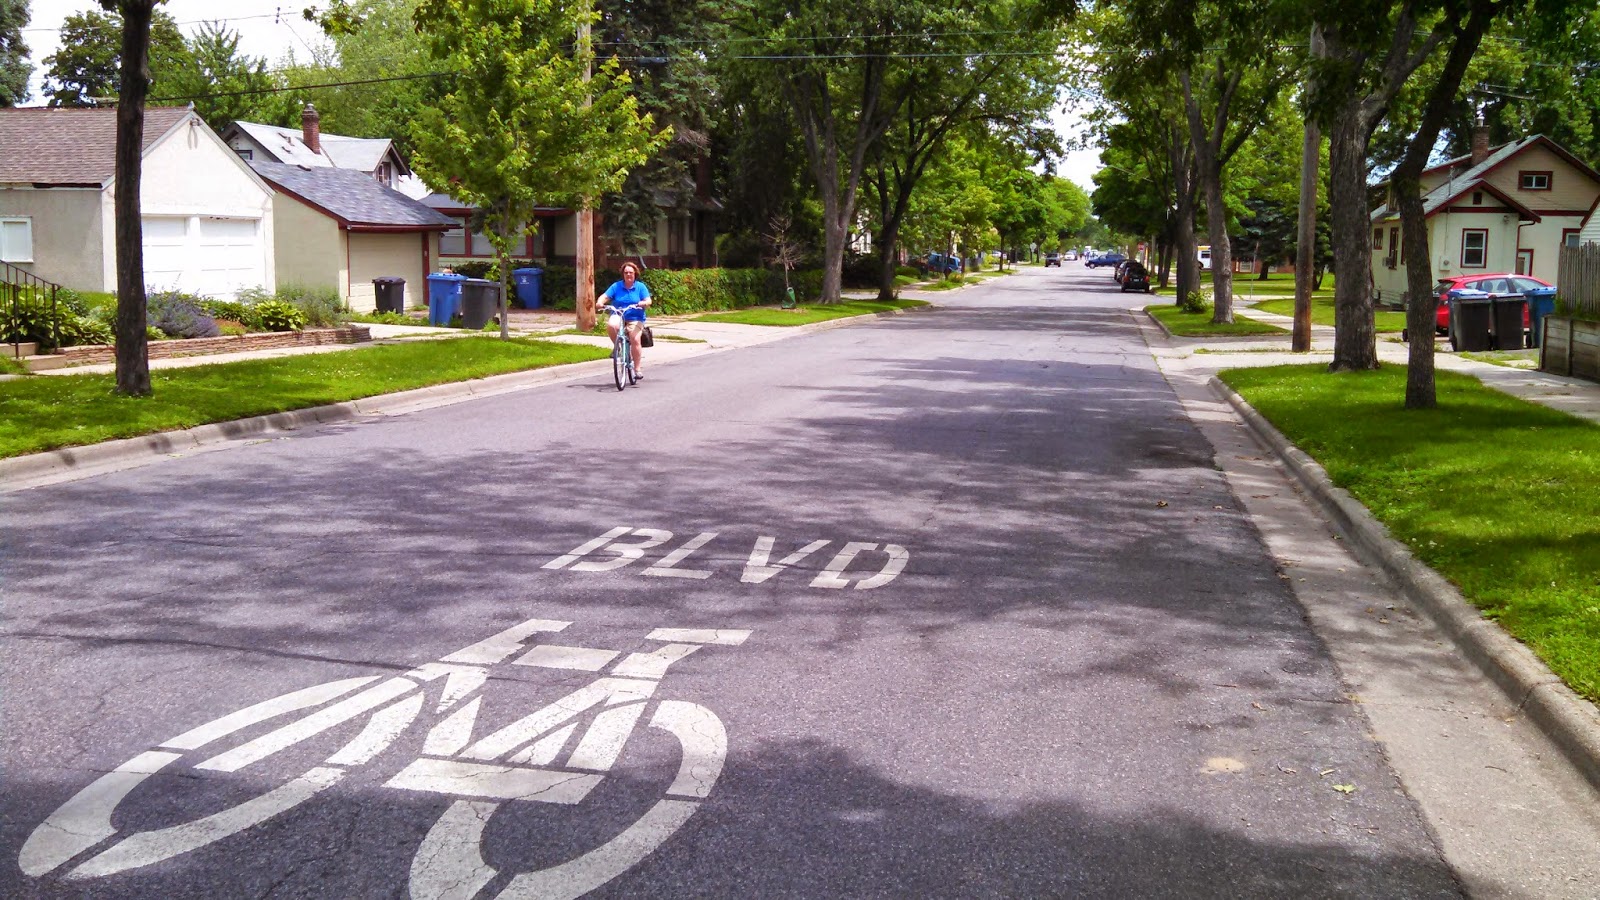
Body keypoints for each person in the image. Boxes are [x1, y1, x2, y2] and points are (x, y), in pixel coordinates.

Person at [596, 262, 652, 379]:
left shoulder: (640, 287)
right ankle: (619, 348)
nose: (628, 275)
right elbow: (605, 296)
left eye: (630, 272)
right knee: (612, 325)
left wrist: (644, 303)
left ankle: (637, 369)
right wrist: (600, 302)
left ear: (635, 274)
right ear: (623, 274)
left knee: (635, 339)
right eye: (626, 272)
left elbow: (648, 300)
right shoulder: (616, 286)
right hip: (618, 314)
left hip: (635, 318)